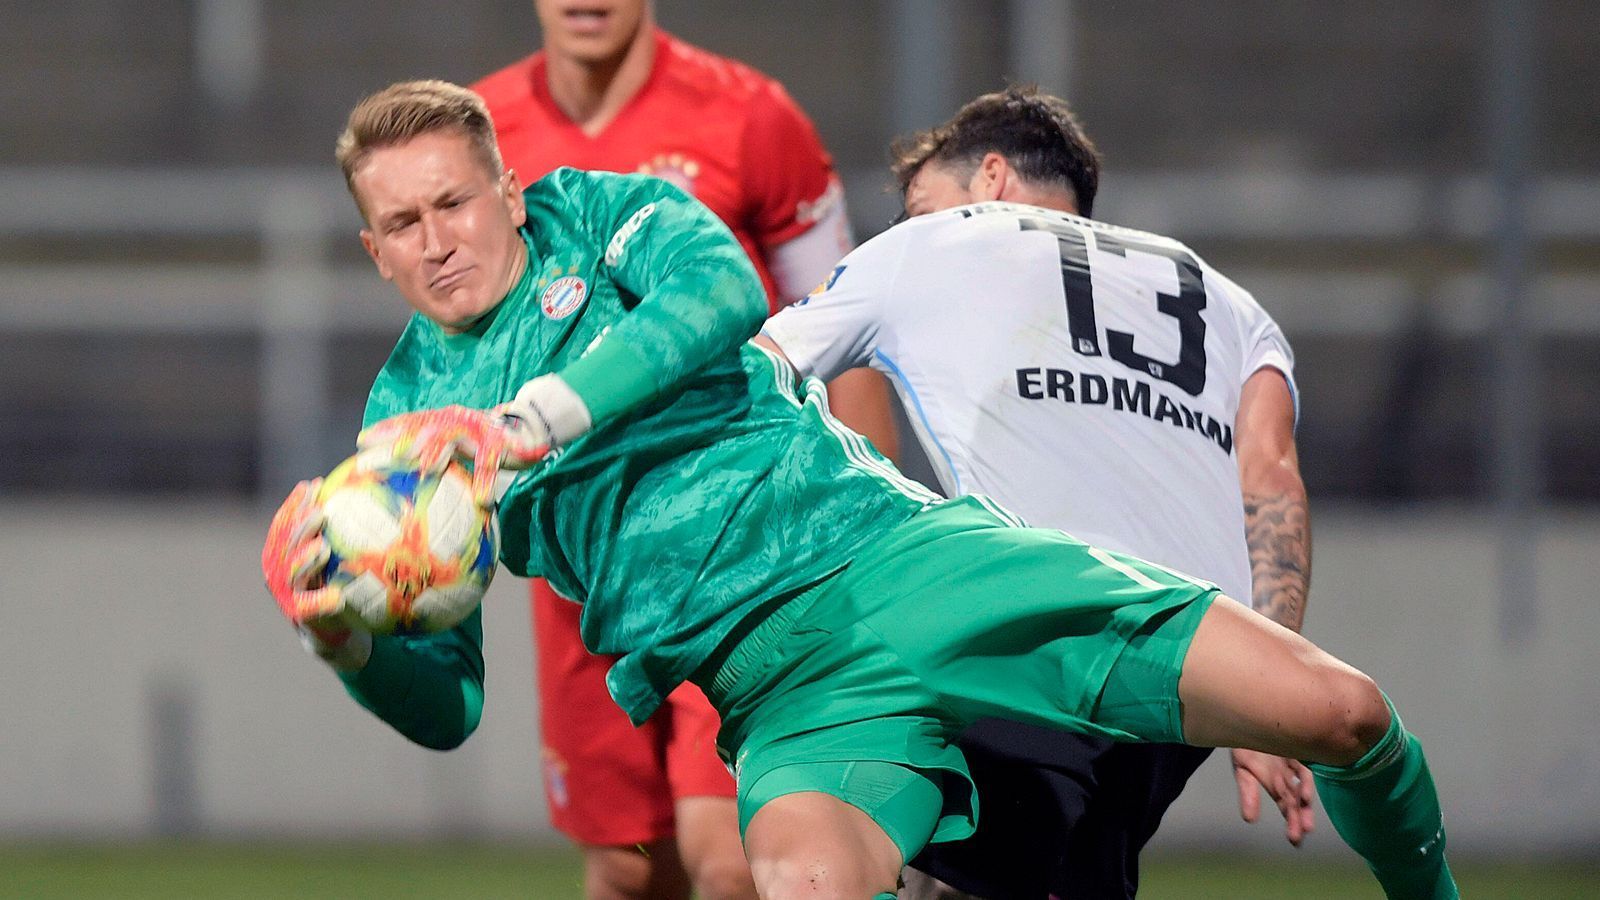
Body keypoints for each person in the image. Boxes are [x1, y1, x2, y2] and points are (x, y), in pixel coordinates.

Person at [262, 80, 1456, 900]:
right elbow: (450, 702)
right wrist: (348, 640)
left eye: (453, 202)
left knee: (1338, 714)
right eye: (401, 223)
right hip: (772, 689)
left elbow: (720, 298)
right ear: (373, 250)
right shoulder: (398, 434)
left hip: (903, 566)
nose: (436, 239)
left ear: (507, 192)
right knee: (796, 881)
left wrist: (527, 424)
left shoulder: (600, 211)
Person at [758, 86, 1315, 899]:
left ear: (989, 179)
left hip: (1044, 622)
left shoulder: (938, 246)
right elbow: (1271, 478)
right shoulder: (1224, 299)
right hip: (1195, 657)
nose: (913, 223)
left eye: (921, 204)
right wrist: (1272, 692)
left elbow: (754, 373)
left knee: (896, 858)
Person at [471, 6, 893, 895]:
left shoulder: (753, 118)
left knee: (730, 859)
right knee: (628, 868)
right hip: (580, 561)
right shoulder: (479, 128)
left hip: (741, 540)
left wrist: (875, 533)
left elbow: (852, 324)